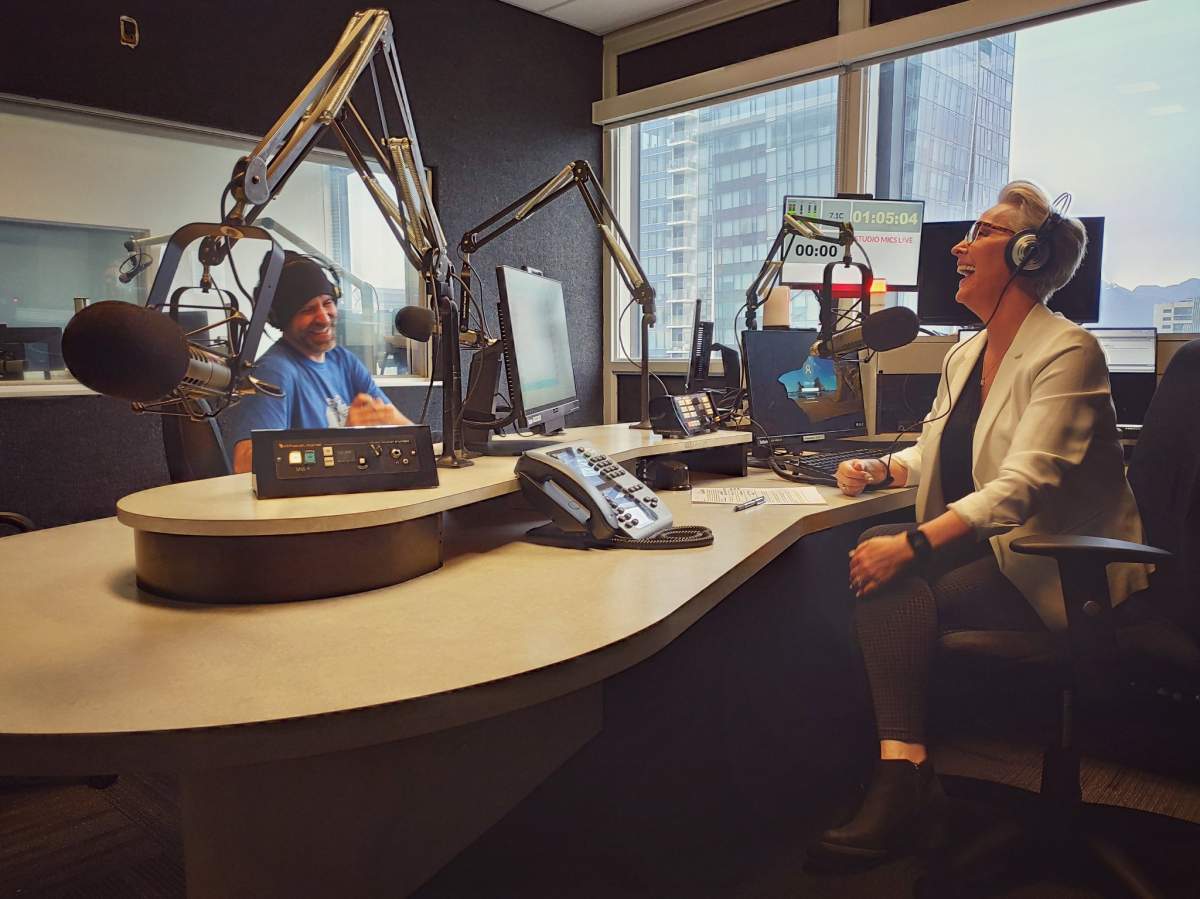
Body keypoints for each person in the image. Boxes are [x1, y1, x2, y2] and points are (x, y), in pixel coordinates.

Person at [813, 181, 1150, 863]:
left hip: (1062, 575)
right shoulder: (965, 355)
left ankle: (901, 782)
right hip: (999, 563)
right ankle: (904, 768)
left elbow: (1023, 484)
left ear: (1027, 254)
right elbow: (940, 447)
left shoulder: (1068, 351)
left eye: (983, 233)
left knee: (889, 566)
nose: (960, 247)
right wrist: (887, 471)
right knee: (880, 572)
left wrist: (910, 540)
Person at [228, 251, 411, 473]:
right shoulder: (272, 373)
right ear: (281, 319)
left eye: (327, 303)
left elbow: (404, 434)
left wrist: (397, 421)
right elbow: (244, 464)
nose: (324, 317)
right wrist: (347, 438)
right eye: (307, 310)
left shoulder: (343, 361)